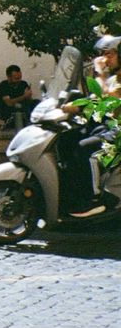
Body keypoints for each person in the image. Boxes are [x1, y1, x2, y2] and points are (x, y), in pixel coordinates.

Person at [57, 34, 121, 218]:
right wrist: (70, 106)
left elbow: (105, 98)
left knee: (87, 151)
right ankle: (72, 195)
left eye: (110, 55)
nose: (105, 59)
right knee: (67, 141)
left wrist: (99, 73)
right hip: (108, 127)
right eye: (104, 55)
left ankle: (96, 201)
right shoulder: (113, 77)